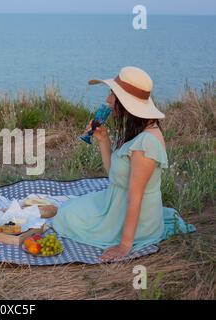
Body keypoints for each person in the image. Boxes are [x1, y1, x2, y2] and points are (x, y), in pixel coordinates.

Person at [52, 66, 183, 261]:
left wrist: (124, 245)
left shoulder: (146, 143)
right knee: (67, 208)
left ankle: (117, 233)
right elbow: (115, 175)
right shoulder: (141, 130)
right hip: (115, 203)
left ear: (126, 102)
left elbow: (135, 198)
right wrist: (103, 139)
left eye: (113, 94)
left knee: (64, 217)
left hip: (131, 220)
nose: (108, 100)